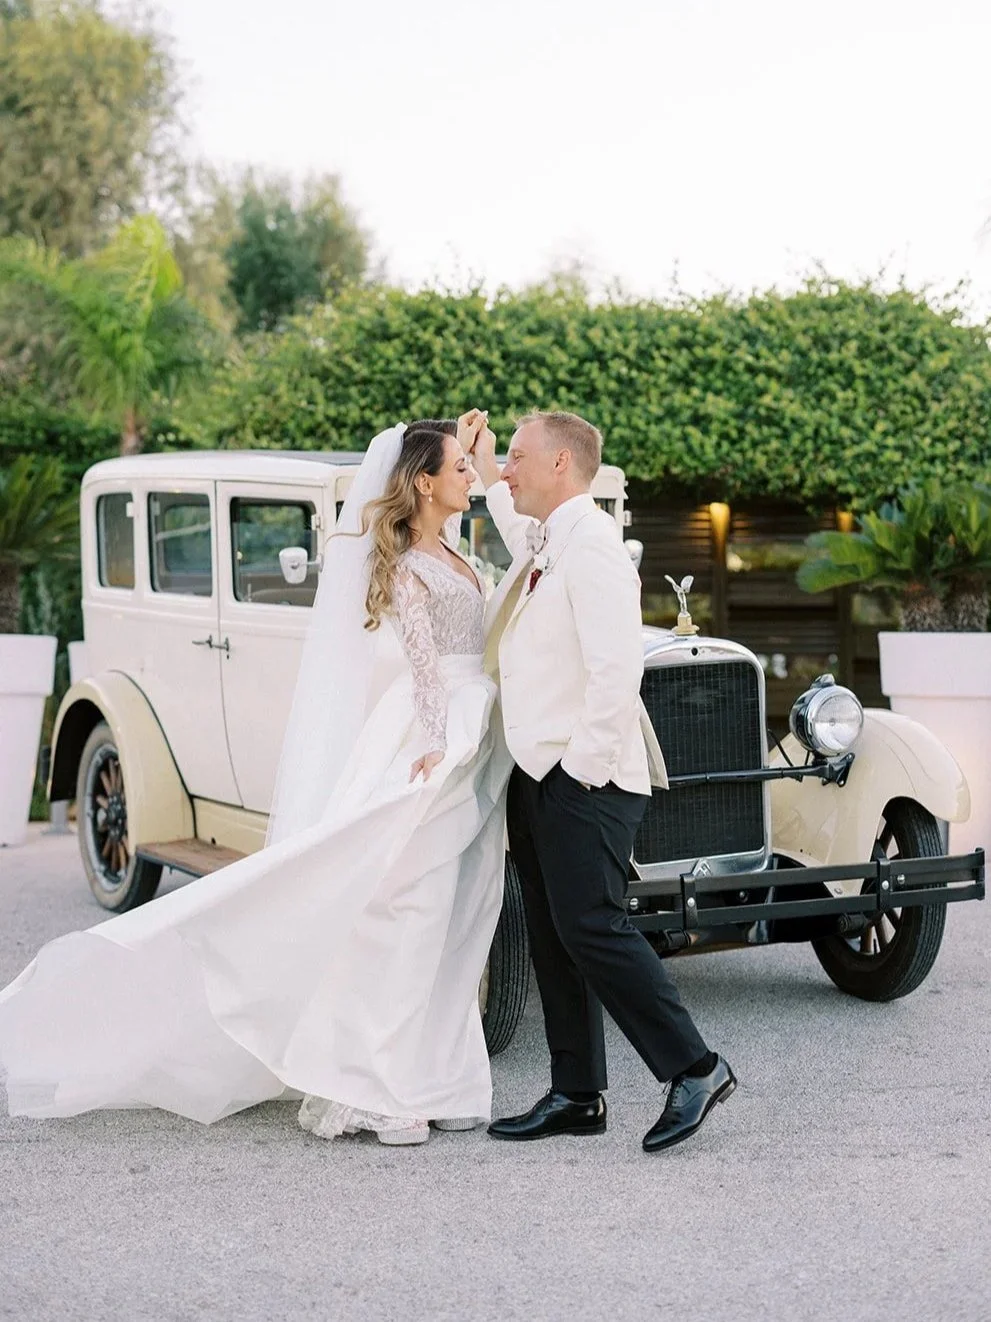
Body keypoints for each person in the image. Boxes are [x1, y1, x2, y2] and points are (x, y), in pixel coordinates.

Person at [0, 415, 512, 1147]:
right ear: (423, 482)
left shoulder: (455, 552)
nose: (471, 475)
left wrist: (483, 461)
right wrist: (433, 743)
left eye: (469, 466)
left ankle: (437, 1077)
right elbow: (424, 664)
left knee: (461, 906)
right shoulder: (402, 565)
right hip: (435, 736)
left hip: (472, 733)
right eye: (458, 467)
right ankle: (371, 1086)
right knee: (408, 908)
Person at [471, 411, 736, 1154]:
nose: (506, 472)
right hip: (539, 773)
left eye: (518, 459)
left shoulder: (594, 551)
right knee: (556, 937)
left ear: (561, 465)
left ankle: (695, 1067)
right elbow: (508, 514)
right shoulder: (548, 538)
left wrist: (574, 775)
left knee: (593, 926)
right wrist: (484, 458)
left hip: (584, 778)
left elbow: (617, 673)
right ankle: (576, 1092)